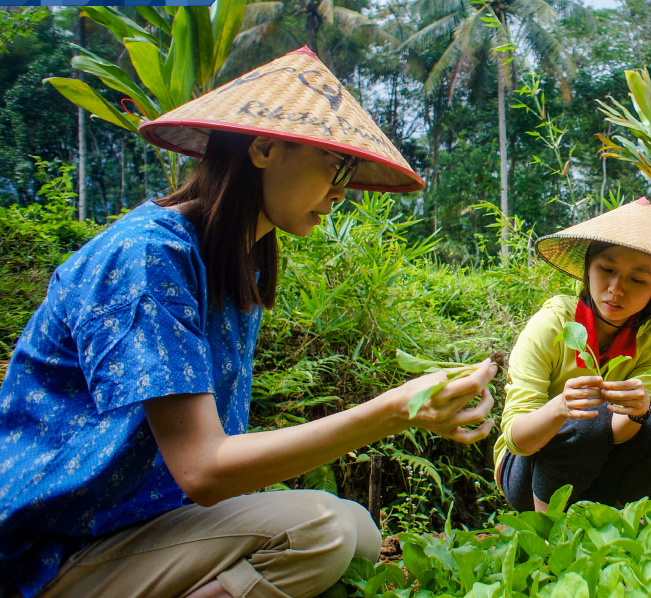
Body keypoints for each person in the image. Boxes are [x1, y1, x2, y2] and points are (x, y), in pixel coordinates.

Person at [0, 47, 495, 598]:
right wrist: (395, 411)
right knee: (320, 530)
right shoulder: (147, 256)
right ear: (263, 147)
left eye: (349, 172)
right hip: (49, 554)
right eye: (335, 165)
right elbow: (204, 469)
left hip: (136, 529)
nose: (341, 190)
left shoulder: (232, 263)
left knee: (357, 529)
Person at [494, 198, 651, 511]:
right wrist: (560, 408)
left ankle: (615, 524)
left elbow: (619, 434)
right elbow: (517, 438)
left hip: (596, 465)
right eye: (606, 269)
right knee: (587, 418)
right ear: (587, 269)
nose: (616, 288)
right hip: (528, 471)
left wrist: (637, 412)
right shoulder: (554, 323)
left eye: (637, 279)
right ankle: (547, 533)